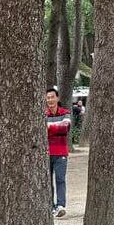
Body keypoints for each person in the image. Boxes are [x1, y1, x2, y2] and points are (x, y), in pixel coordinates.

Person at [46, 88, 71, 217]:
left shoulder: (65, 113)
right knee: (47, 181)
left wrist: (49, 127)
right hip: (46, 153)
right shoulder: (43, 114)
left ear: (57, 98)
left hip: (61, 152)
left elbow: (64, 129)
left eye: (52, 97)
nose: (50, 100)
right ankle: (50, 206)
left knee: (60, 179)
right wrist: (57, 128)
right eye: (48, 97)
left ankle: (61, 205)